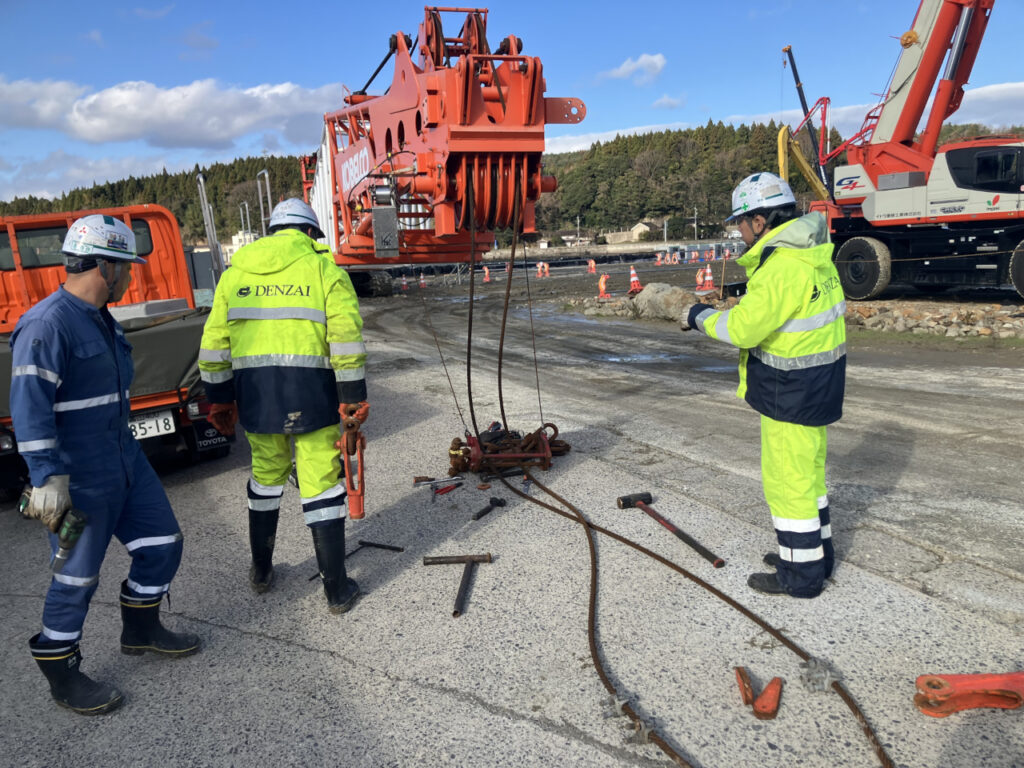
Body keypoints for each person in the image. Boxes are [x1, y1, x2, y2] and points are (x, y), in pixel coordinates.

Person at [11, 214, 201, 715]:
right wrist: (47, 479)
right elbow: (30, 409)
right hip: (77, 474)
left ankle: (140, 629)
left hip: (124, 459)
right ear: (104, 266)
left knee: (163, 543)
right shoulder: (47, 324)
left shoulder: (99, 316)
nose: (132, 276)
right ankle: (60, 667)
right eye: (127, 267)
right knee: (75, 578)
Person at [199, 198, 368, 614]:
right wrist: (352, 399)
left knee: (265, 479)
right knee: (322, 486)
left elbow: (214, 345)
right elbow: (345, 339)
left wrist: (220, 400)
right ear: (311, 233)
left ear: (271, 232)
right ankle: (336, 591)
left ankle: (261, 571)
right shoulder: (324, 269)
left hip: (257, 399)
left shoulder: (234, 274)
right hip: (314, 396)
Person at [681, 172, 846, 599]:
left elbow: (743, 329)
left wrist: (698, 316)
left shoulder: (782, 266)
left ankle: (801, 578)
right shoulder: (813, 254)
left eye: (741, 221)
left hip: (790, 390)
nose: (739, 231)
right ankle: (814, 557)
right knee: (809, 479)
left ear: (760, 220)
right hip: (817, 385)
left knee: (787, 484)